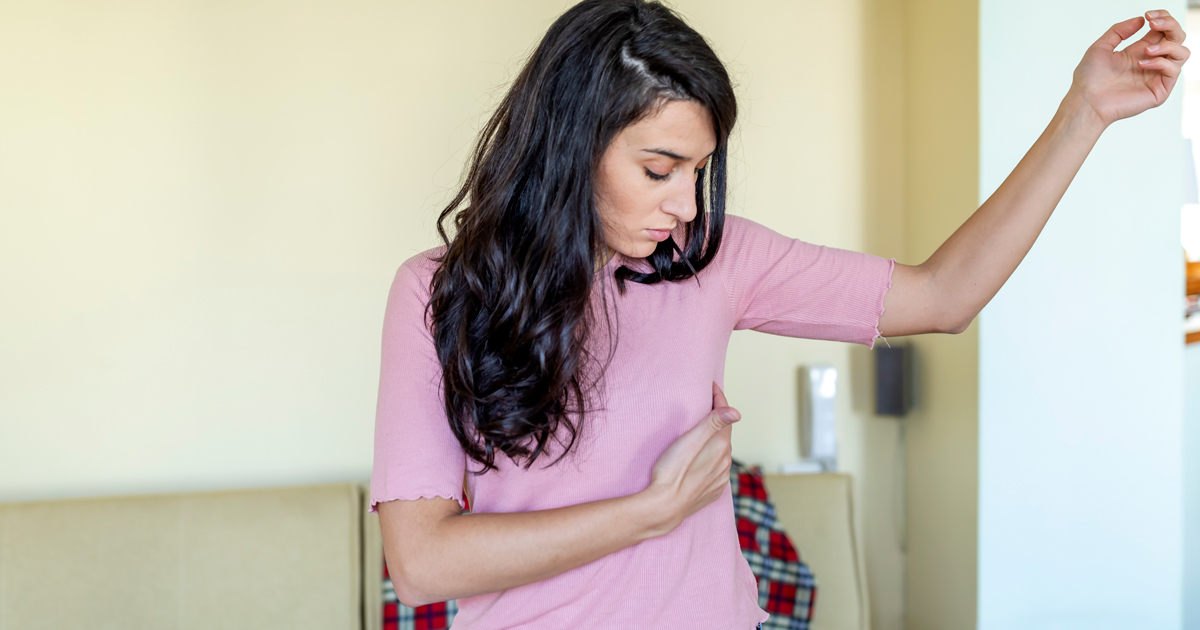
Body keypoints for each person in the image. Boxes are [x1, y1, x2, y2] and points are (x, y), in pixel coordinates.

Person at [370, 1, 1188, 628]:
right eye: (659, 170)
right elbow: (423, 564)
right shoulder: (437, 294)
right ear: (571, 145)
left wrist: (1084, 112)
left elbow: (945, 295)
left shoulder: (716, 261)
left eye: (699, 171)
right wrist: (649, 512)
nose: (687, 206)